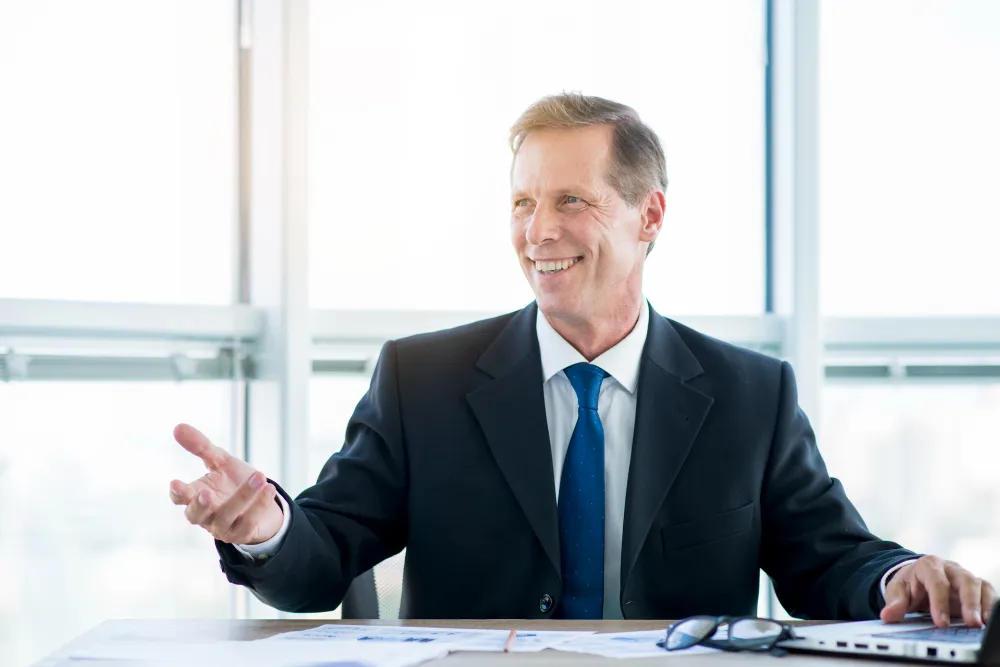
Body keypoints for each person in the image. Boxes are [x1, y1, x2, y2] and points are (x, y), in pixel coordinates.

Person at [169, 93, 996, 623]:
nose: (539, 232)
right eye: (524, 202)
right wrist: (267, 527)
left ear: (650, 216)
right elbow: (322, 555)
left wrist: (900, 577)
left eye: (572, 200)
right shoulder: (422, 382)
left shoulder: (751, 395)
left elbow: (830, 560)